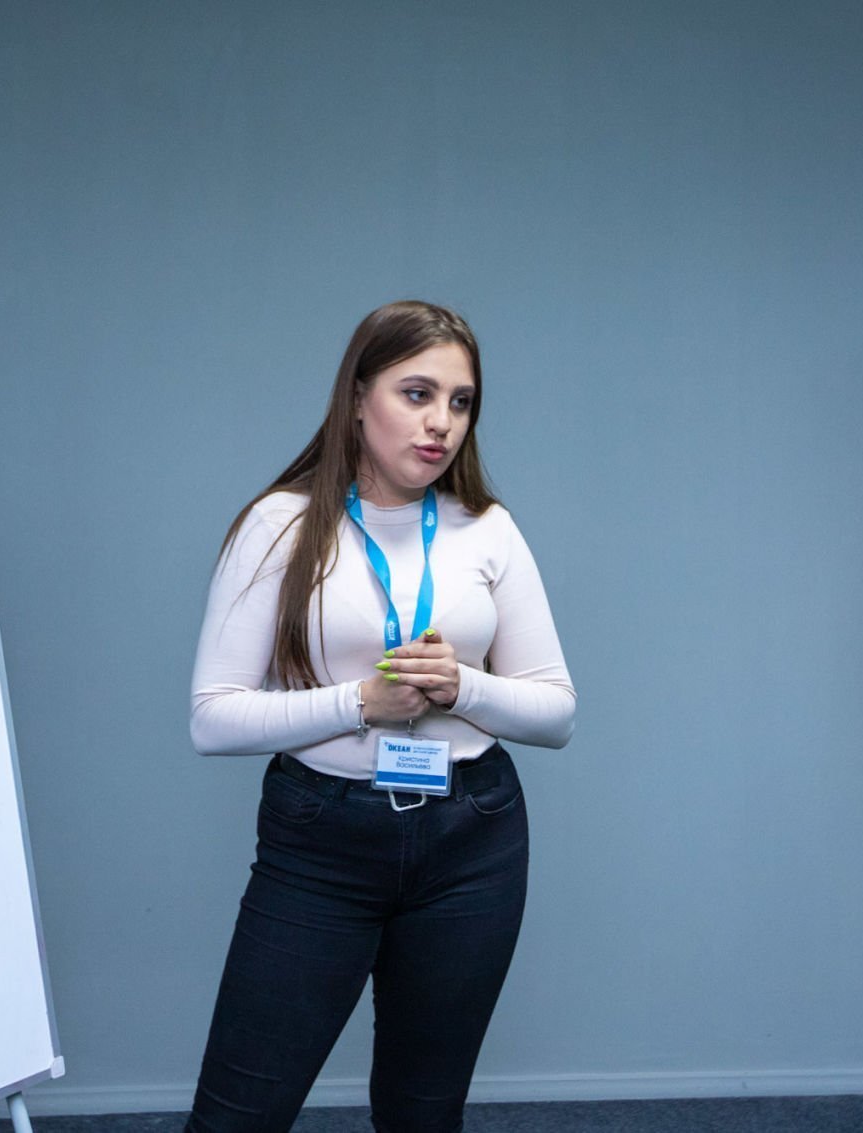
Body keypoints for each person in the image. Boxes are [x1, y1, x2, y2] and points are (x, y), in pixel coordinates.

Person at [184, 300, 576, 1132]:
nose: (441, 423)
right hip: (322, 840)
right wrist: (360, 703)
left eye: (461, 402)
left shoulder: (488, 529)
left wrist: (464, 688)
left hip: (473, 838)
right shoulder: (280, 524)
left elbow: (557, 713)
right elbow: (212, 718)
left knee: (423, 1115)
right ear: (358, 396)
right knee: (237, 1117)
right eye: (417, 393)